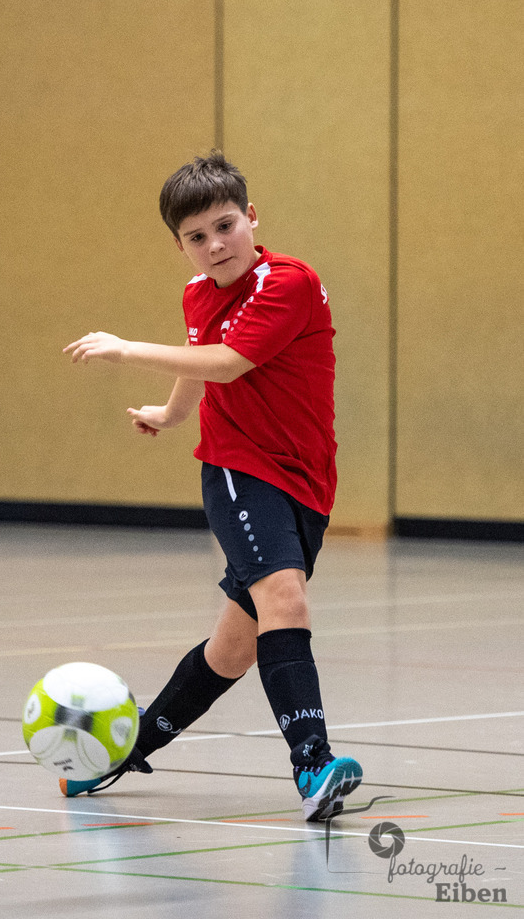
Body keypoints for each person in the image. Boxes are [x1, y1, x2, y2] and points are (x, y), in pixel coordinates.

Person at [63, 151, 362, 822]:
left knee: (233, 648)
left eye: (225, 226)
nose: (215, 245)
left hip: (306, 479)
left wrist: (125, 349)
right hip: (237, 468)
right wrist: (169, 414)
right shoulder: (199, 293)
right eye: (196, 237)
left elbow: (227, 362)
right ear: (180, 246)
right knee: (284, 599)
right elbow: (204, 361)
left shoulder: (288, 282)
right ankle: (313, 766)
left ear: (251, 218)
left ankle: (123, 747)